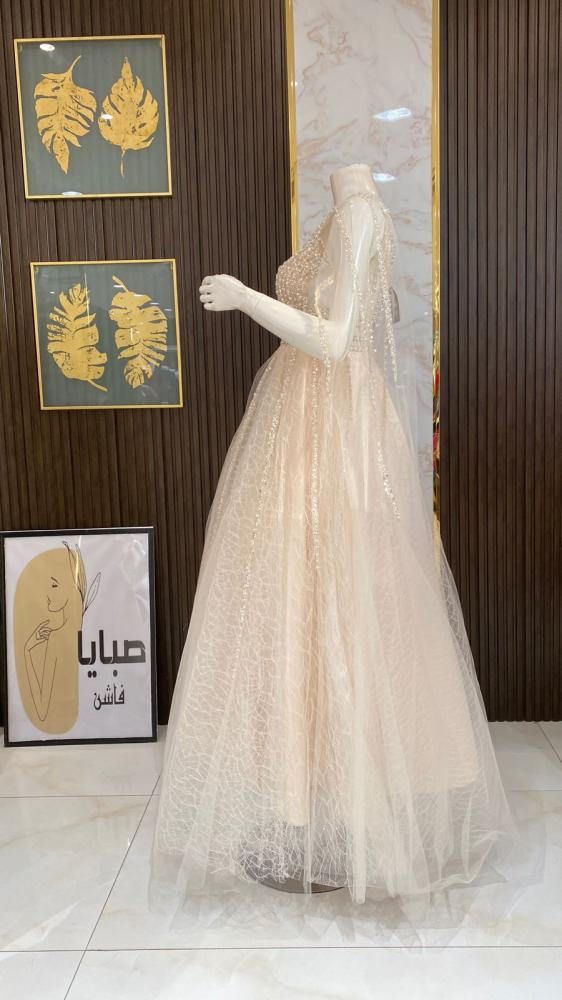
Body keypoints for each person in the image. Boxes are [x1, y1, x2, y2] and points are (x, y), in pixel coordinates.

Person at [149, 163, 519, 913]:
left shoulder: (359, 215)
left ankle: (343, 800)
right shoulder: (352, 216)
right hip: (309, 425)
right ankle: (308, 791)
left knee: (331, 594)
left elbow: (335, 337)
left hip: (328, 432)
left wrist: (245, 296)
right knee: (299, 595)